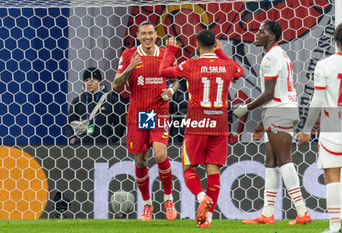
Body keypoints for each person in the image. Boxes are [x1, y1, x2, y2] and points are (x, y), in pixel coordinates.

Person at [159, 30, 244, 228]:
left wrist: (170, 50)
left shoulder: (191, 64)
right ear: (216, 44)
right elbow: (240, 72)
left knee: (189, 168)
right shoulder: (227, 65)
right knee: (213, 170)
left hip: (197, 123)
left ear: (197, 44)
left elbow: (163, 71)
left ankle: (201, 196)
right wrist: (221, 54)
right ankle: (208, 218)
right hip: (220, 125)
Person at [233, 20, 312, 225]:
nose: (257, 34)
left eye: (262, 31)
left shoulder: (270, 57)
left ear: (272, 36)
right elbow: (274, 92)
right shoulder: (279, 54)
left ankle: (302, 212)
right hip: (279, 110)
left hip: (280, 111)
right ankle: (267, 214)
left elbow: (268, 93)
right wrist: (261, 123)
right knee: (271, 161)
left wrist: (246, 108)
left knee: (284, 160)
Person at [113, 21, 179, 221]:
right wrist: (129, 68)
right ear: (139, 36)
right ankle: (147, 205)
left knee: (160, 155)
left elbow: (176, 80)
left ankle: (168, 199)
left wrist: (172, 90)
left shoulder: (166, 54)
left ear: (156, 36)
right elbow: (116, 85)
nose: (147, 36)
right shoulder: (128, 55)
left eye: (150, 33)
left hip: (159, 112)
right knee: (141, 160)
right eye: (143, 34)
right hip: (139, 114)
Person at [296, 22, 342, 233]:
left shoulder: (325, 64)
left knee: (331, 175)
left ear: (336, 40)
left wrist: (306, 129)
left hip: (333, 118)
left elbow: (317, 100)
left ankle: (334, 226)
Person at [66, 67, 126, 145]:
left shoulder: (111, 100)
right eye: (86, 80)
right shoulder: (78, 101)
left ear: (99, 81)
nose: (89, 83)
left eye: (92, 80)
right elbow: (68, 123)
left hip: (104, 146)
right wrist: (72, 139)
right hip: (82, 146)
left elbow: (120, 123)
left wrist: (111, 140)